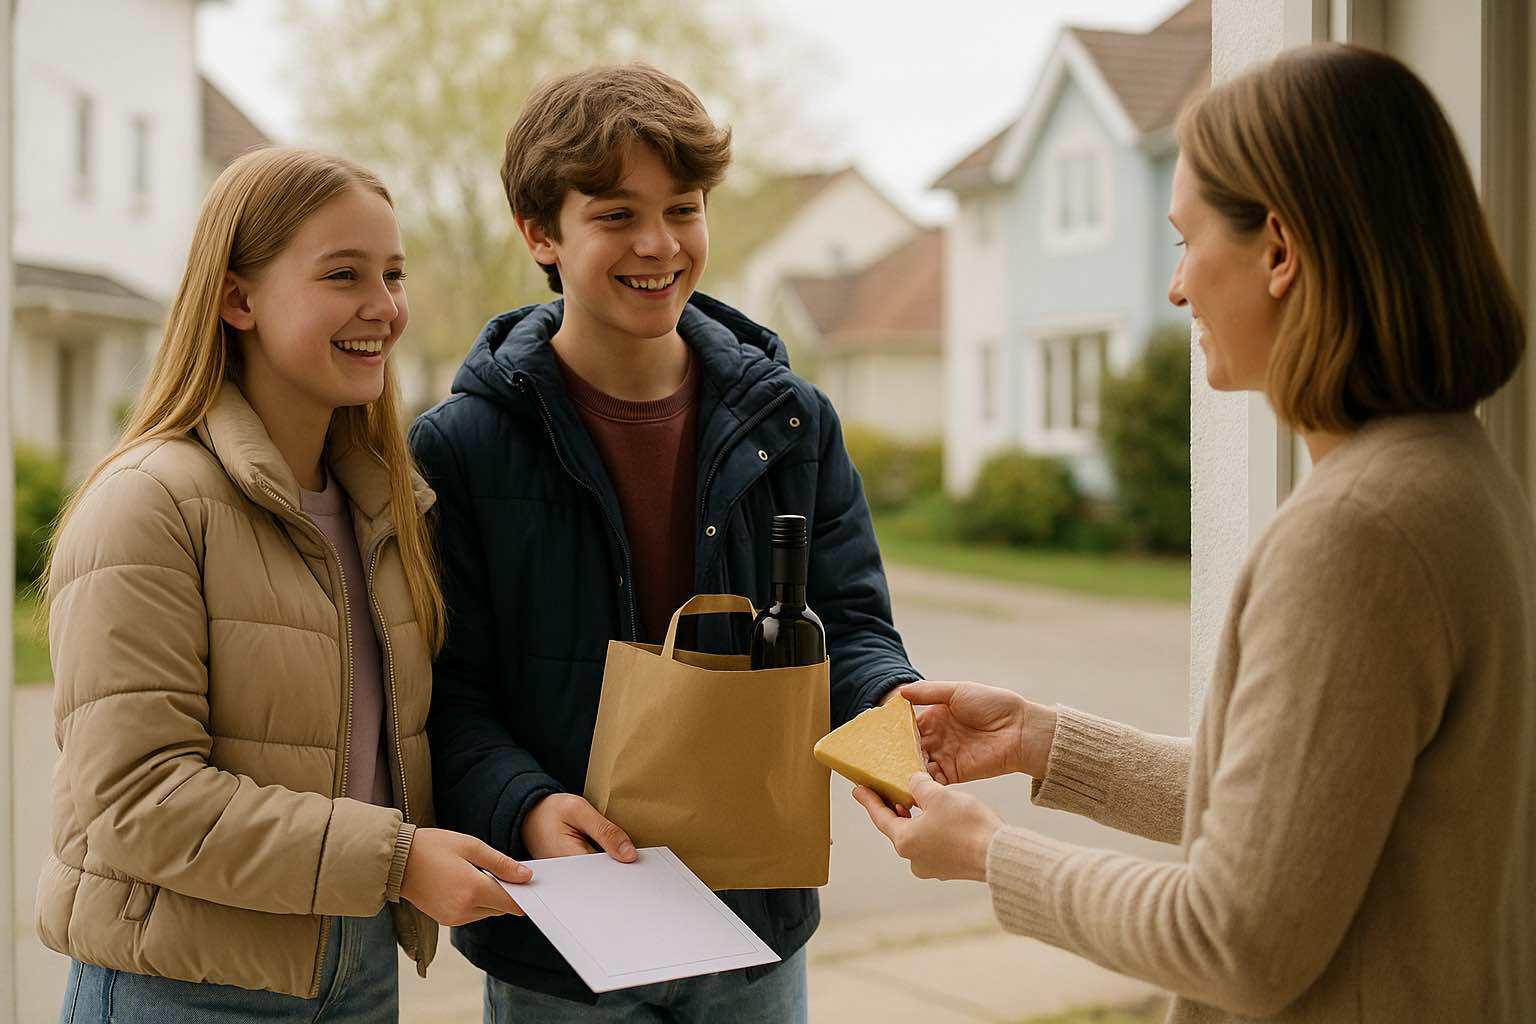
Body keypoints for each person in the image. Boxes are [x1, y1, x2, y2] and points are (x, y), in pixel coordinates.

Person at [856, 43, 1534, 1023]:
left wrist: (987, 853)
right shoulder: (1452, 474)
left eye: (1185, 240)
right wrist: (1044, 741)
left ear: (1281, 252)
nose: (1176, 289)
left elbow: (1236, 936)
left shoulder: (1359, 534)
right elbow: (1308, 810)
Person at [409, 63, 920, 1022]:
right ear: (540, 235)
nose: (658, 245)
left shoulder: (794, 422)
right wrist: (522, 804)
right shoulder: (458, 451)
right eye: (614, 215)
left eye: (682, 208)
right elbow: (447, 692)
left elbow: (849, 627)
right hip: (561, 937)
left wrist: (893, 714)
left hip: (754, 923)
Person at [42, 147, 530, 1024]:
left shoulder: (388, 509)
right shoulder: (148, 503)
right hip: (182, 991)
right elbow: (133, 800)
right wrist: (398, 861)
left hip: (353, 968)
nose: (383, 308)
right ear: (238, 299)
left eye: (392, 274)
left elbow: (400, 747)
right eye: (343, 275)